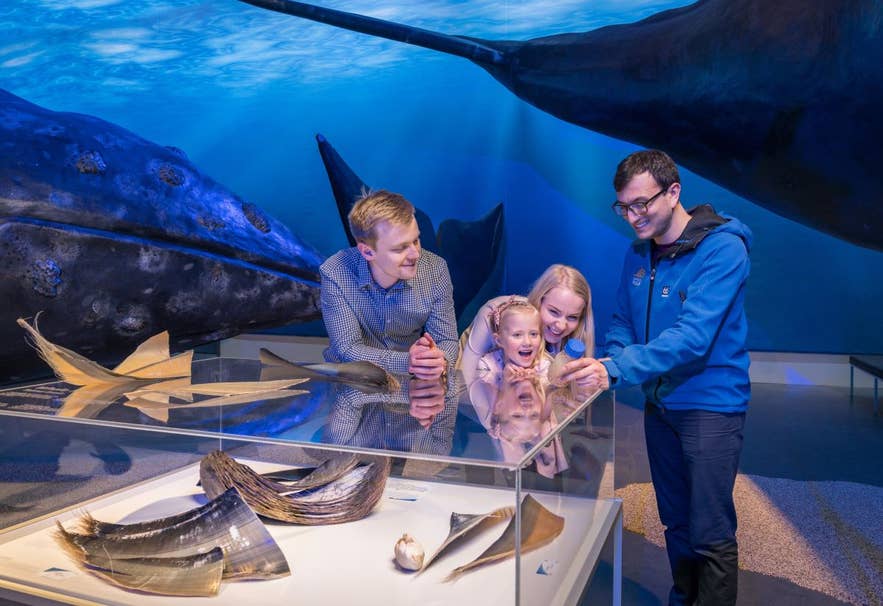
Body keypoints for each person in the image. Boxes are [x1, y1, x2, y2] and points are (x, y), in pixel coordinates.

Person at [582, 149, 752, 606]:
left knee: (709, 528)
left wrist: (615, 369)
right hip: (660, 407)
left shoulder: (723, 248)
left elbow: (693, 337)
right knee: (674, 521)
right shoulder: (638, 253)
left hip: (710, 406)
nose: (633, 216)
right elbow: (622, 320)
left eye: (642, 204)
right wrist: (612, 357)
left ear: (673, 191)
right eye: (624, 207)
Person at [320, 189, 458, 381]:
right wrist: (407, 362)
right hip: (350, 382)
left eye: (416, 240)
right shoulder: (335, 272)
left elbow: (447, 340)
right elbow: (347, 348)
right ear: (367, 252)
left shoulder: (436, 269)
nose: (415, 254)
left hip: (410, 385)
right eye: (400, 248)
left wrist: (439, 361)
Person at [460, 264, 597, 389]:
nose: (561, 326)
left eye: (572, 317)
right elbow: (465, 378)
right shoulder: (497, 315)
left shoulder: (571, 343)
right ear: (539, 300)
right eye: (553, 312)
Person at [475, 297, 550, 385]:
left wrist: (534, 381)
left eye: (533, 334)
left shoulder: (543, 367)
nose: (527, 342)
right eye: (517, 335)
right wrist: (504, 379)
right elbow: (480, 395)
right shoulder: (488, 365)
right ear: (499, 341)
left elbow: (549, 395)